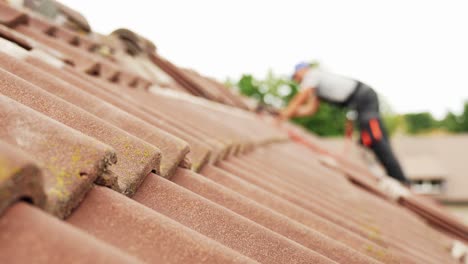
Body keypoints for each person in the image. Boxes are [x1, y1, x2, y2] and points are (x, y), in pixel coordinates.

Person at [280, 62, 409, 184]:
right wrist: (286, 112)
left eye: (296, 76)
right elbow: (309, 110)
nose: (296, 80)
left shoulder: (311, 75)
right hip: (360, 102)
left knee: (373, 137)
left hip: (364, 98)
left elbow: (299, 98)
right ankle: (395, 175)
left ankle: (398, 178)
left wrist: (284, 114)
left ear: (302, 70)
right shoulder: (316, 87)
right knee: (367, 139)